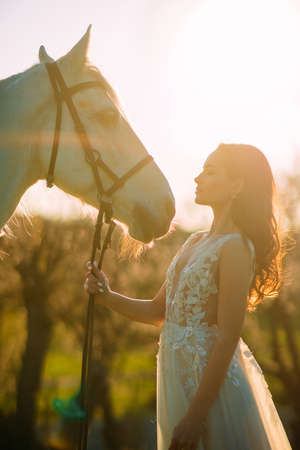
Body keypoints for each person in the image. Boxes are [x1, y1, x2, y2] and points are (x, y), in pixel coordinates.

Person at [84, 143, 292, 450]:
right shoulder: (195, 241)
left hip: (212, 395)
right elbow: (158, 310)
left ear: (237, 185)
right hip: (176, 381)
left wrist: (196, 416)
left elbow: (228, 337)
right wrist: (106, 295)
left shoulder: (236, 247)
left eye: (210, 171)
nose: (197, 178)